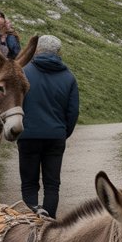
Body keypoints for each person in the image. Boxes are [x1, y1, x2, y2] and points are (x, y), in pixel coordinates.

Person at [17, 34, 80, 218]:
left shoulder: (23, 72)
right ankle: (48, 222)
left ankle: (30, 220)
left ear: (36, 50)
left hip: (28, 136)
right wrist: (62, 132)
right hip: (55, 136)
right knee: (52, 184)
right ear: (58, 52)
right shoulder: (68, 77)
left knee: (29, 183)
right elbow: (73, 111)